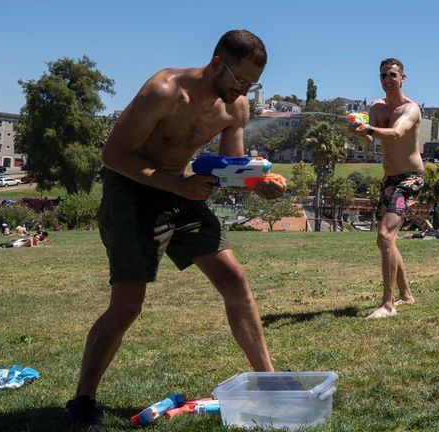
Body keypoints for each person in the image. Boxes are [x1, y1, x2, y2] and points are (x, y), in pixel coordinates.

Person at [65, 30, 285, 430]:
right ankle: (82, 400)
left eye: (252, 85)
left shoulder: (236, 107)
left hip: (181, 191)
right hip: (132, 193)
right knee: (127, 306)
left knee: (235, 281)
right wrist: (178, 185)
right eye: (239, 81)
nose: (244, 91)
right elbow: (112, 154)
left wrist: (258, 183)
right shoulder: (164, 90)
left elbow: (230, 167)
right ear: (217, 62)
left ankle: (268, 382)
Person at [350, 58, 424, 319]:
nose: (387, 79)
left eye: (392, 75)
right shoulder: (376, 107)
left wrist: (369, 127)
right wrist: (359, 130)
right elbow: (368, 141)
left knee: (384, 235)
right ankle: (406, 295)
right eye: (383, 76)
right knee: (386, 241)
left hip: (410, 181)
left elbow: (396, 134)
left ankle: (388, 305)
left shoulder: (411, 109)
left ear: (403, 77)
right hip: (389, 180)